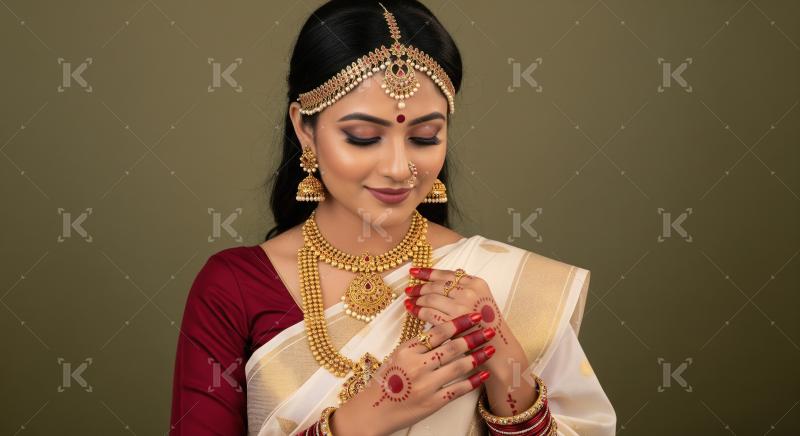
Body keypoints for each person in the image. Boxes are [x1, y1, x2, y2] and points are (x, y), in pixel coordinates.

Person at [169, 1, 616, 435]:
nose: (400, 168)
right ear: (305, 128)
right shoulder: (233, 289)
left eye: (425, 137)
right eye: (363, 137)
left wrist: (506, 369)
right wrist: (363, 420)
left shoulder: (497, 287)